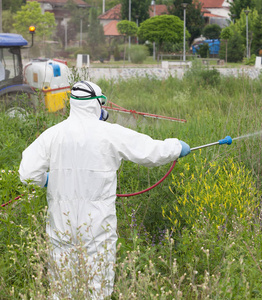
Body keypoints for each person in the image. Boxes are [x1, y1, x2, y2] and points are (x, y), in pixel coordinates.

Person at [19, 81, 190, 299]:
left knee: (62, 287)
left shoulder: (53, 135)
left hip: (62, 225)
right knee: (97, 286)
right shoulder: (110, 133)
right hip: (96, 227)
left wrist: (45, 180)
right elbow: (150, 151)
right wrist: (176, 147)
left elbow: (27, 173)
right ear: (97, 104)